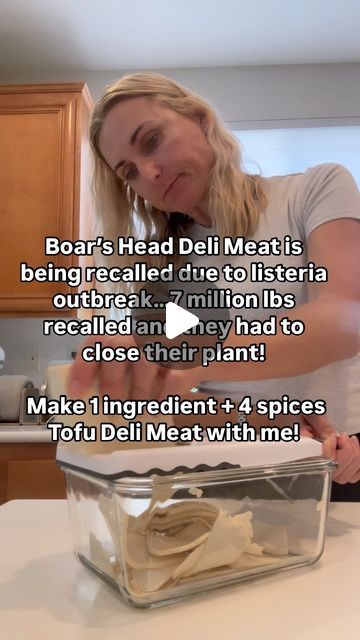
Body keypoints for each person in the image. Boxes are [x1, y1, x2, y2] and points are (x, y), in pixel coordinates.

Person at [68, 72, 360, 496]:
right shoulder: (160, 265)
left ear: (201, 120)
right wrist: (264, 422)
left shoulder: (314, 189)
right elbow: (176, 398)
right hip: (218, 472)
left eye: (151, 141)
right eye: (128, 172)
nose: (148, 173)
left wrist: (195, 360)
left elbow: (343, 321)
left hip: (338, 467)